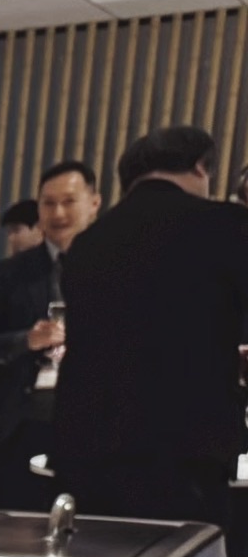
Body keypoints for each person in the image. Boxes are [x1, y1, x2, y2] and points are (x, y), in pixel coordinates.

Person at [53, 126, 248, 526]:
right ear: (200, 167)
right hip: (187, 450)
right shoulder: (225, 225)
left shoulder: (87, 244)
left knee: (101, 556)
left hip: (90, 445)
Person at [0, 160, 101, 511]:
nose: (58, 213)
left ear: (94, 204)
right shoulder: (11, 273)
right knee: (11, 523)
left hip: (90, 423)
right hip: (21, 421)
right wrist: (24, 341)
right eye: (48, 203)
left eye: (68, 201)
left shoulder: (115, 269)